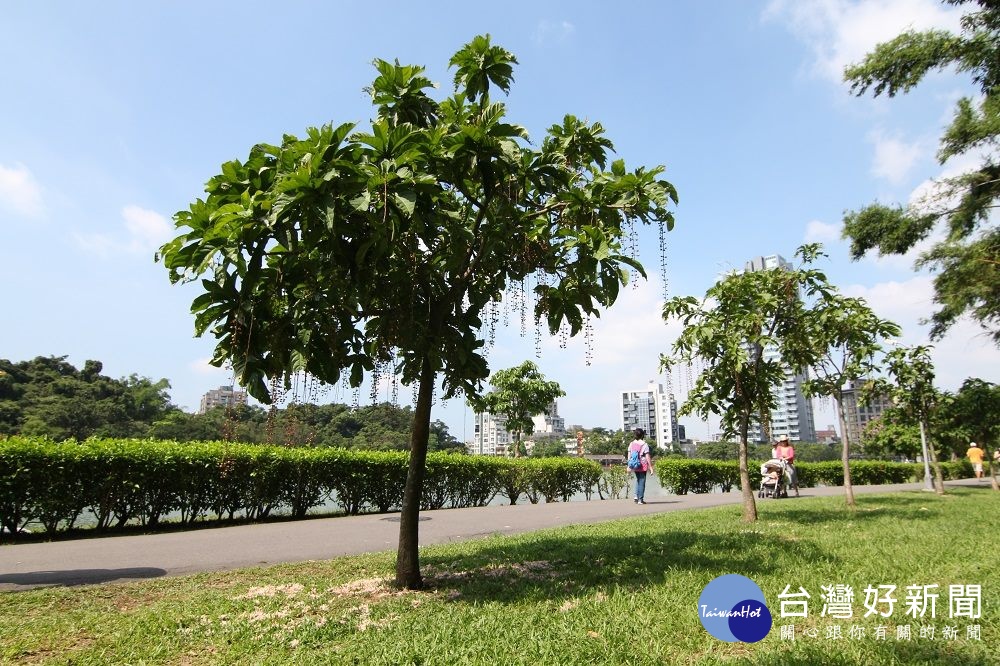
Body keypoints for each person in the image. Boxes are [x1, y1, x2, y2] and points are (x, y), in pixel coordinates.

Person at [627, 428, 652, 505]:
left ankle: (636, 496)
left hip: (634, 464)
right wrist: (650, 467)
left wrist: (629, 465)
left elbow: (629, 455)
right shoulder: (644, 444)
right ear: (642, 435)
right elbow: (647, 456)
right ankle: (640, 499)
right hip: (642, 464)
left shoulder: (631, 443)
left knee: (638, 480)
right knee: (642, 481)